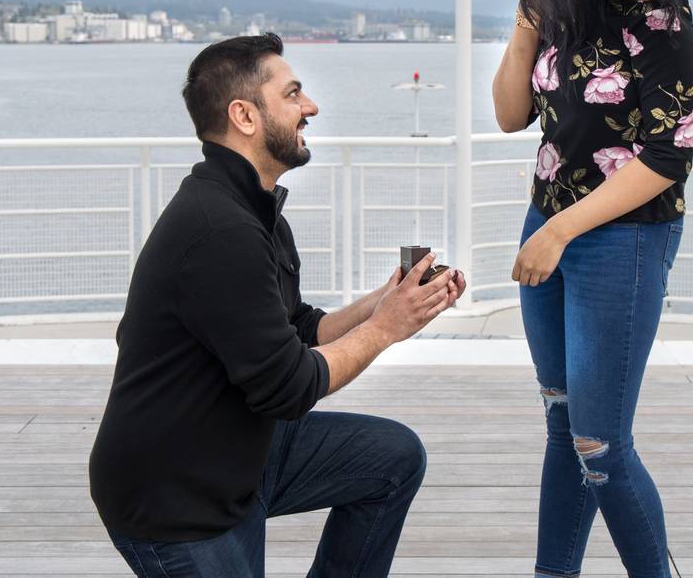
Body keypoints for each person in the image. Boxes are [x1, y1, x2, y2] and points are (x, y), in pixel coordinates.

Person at [89, 33, 466, 578]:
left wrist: (384, 301)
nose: (310, 106)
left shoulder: (255, 209)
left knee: (392, 458)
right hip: (175, 499)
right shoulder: (219, 230)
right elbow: (289, 387)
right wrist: (386, 329)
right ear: (244, 115)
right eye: (293, 94)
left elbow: (298, 329)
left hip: (237, 457)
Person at [493, 0, 693, 577]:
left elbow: (669, 155)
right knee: (563, 422)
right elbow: (508, 114)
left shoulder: (653, 1)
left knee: (600, 442)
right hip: (549, 222)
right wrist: (528, 9)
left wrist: (559, 232)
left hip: (624, 235)